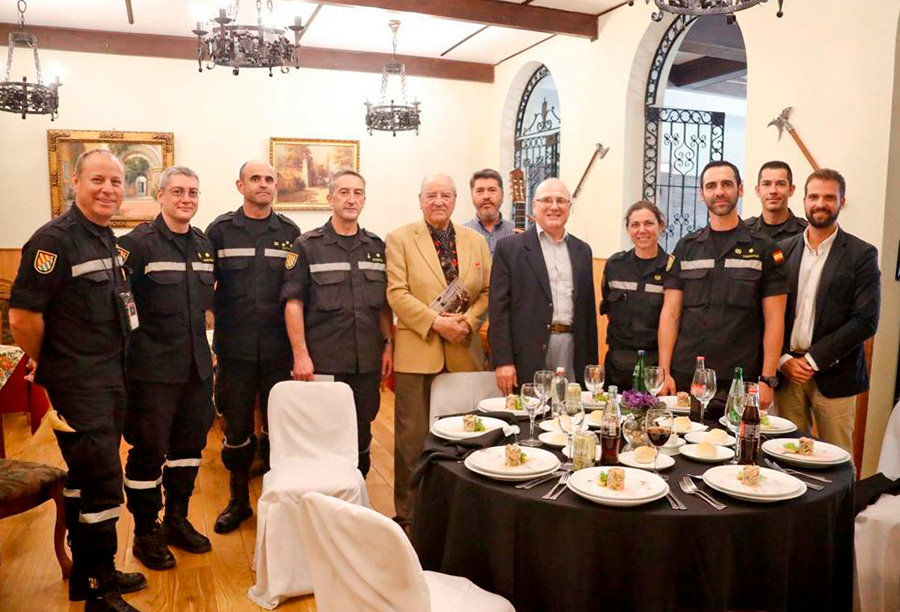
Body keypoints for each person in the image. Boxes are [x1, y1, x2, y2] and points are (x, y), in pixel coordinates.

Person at [9, 149, 148, 612]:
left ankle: (92, 573)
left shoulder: (106, 239)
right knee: (104, 483)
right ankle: (97, 594)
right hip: (80, 381)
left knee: (89, 476)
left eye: (116, 181)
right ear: (75, 181)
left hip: (112, 375)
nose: (108, 189)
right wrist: (50, 363)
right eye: (98, 180)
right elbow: (24, 317)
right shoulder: (55, 241)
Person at [117, 166, 216, 570]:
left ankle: (177, 518)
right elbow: (119, 310)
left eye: (193, 192)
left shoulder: (204, 244)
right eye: (177, 191)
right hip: (152, 372)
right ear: (160, 195)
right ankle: (146, 531)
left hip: (196, 370)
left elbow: (208, 305)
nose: (186, 198)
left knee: (189, 450)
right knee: (148, 453)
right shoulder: (136, 245)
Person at [386, 172, 491, 529]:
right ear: (420, 200)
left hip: (464, 351)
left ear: (455, 200)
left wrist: (469, 322)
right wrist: (436, 322)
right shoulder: (400, 239)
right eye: (431, 195)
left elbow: (488, 292)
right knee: (412, 440)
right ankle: (410, 515)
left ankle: (457, 516)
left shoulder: (475, 241)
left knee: (463, 437)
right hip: (419, 352)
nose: (439, 202)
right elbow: (396, 294)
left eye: (446, 195)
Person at [206, 160, 300, 533]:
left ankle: (279, 502)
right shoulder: (220, 231)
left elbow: (296, 291)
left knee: (280, 428)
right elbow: (203, 283)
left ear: (276, 186)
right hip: (235, 349)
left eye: (269, 179)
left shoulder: (290, 232)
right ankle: (238, 500)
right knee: (237, 427)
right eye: (255, 179)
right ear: (240, 184)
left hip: (279, 350)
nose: (263, 185)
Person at [282, 170, 394, 476]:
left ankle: (357, 508)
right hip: (324, 363)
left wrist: (388, 345)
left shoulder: (376, 246)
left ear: (364, 200)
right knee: (323, 440)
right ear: (330, 198)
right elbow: (294, 303)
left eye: (358, 193)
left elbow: (384, 304)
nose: (351, 199)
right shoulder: (307, 246)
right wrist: (300, 355)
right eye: (344, 192)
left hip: (366, 364)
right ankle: (324, 512)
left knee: (361, 437)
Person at [658, 160, 787, 415]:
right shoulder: (686, 247)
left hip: (741, 378)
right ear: (701, 193)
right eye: (711, 186)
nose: (719, 191)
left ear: (740, 190)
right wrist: (664, 371)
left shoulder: (764, 248)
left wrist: (768, 378)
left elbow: (775, 319)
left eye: (726, 184)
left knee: (739, 452)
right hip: (688, 375)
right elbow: (670, 314)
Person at [776, 169, 880, 452]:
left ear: (841, 202)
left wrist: (812, 360)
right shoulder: (781, 251)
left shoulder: (862, 254)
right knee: (787, 455)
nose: (820, 203)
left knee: (837, 458)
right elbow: (768, 314)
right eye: (814, 196)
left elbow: (866, 321)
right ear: (804, 200)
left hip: (836, 373)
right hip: (787, 374)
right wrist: (783, 359)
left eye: (829, 197)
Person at [489, 178, 598, 394]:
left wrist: (592, 365)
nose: (554, 206)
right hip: (527, 351)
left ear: (569, 207)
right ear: (534, 206)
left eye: (561, 201)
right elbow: (498, 310)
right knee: (530, 416)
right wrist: (503, 361)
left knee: (570, 414)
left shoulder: (582, 250)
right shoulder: (510, 249)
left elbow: (588, 313)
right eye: (547, 200)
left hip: (571, 348)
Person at [600, 201, 669, 390]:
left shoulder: (672, 268)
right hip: (617, 367)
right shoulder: (614, 265)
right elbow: (608, 307)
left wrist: (665, 368)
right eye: (635, 225)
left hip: (655, 367)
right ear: (628, 229)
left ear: (660, 225)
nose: (642, 230)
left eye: (649, 223)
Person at [745, 160, 808, 242]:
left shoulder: (806, 233)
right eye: (766, 184)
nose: (773, 191)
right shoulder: (744, 231)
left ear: (791, 190)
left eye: (781, 184)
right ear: (758, 190)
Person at [463, 168, 516, 256]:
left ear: (502, 195)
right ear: (472, 196)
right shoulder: (460, 235)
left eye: (492, 190)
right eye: (480, 191)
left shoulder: (517, 233)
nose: (486, 196)